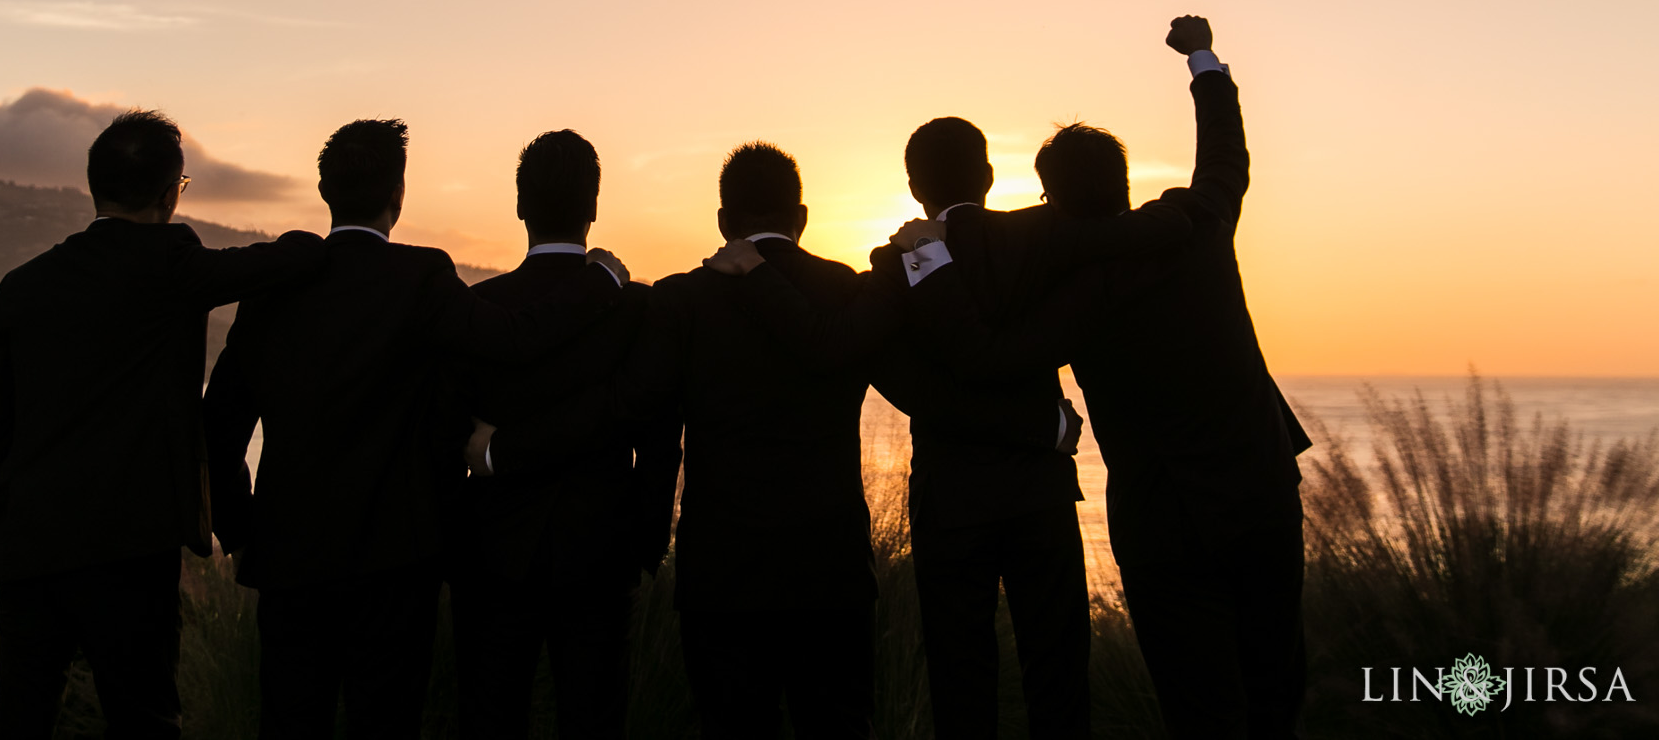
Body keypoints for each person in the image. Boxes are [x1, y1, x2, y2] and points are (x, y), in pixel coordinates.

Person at [489, 142, 1064, 740]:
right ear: (803, 217)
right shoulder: (847, 291)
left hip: (721, 578)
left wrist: (507, 451)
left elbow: (627, 409)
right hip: (831, 573)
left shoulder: (683, 300)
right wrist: (1036, 429)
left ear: (722, 223)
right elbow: (924, 395)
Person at [707, 121, 1197, 740]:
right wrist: (1039, 425)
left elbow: (874, 370)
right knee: (1060, 679)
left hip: (951, 504)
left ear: (913, 189)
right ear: (990, 178)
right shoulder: (1043, 236)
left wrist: (756, 272)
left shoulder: (893, 267)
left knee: (960, 685)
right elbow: (1157, 234)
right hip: (1039, 496)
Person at [902, 17, 1310, 738]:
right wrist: (1202, 60)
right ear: (1124, 179)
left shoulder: (1076, 294)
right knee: (1277, 678)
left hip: (1165, 523)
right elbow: (1225, 155)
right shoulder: (1201, 222)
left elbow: (989, 356)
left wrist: (930, 261)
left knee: (1201, 705)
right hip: (1262, 487)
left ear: (1051, 199)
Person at [201, 119, 631, 740]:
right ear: (398, 195)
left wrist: (241, 530)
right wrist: (600, 280)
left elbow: (219, 423)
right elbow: (512, 340)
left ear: (326, 192)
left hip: (290, 562)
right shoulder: (422, 278)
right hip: (395, 565)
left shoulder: (271, 292)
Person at [0, 109, 323, 740]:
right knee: (145, 718)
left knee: (20, 716)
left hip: (29, 543)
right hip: (130, 548)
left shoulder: (22, 286)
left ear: (94, 186)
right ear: (169, 193)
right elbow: (287, 260)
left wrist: (3, 521)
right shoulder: (171, 264)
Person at [448, 130, 680, 740]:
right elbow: (659, 439)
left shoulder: (482, 307)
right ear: (594, 208)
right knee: (595, 719)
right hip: (603, 546)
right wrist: (646, 538)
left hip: (494, 549)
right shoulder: (637, 310)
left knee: (490, 717)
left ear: (520, 206)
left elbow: (448, 430)